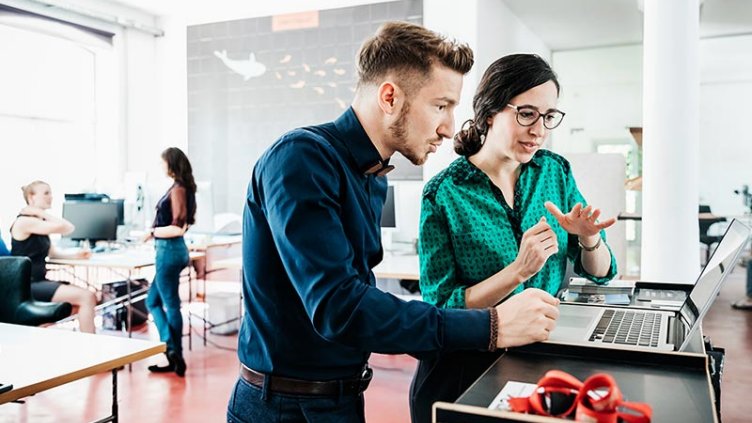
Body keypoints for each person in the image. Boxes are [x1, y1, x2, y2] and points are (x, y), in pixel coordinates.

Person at [227, 22, 561, 423]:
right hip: (283, 407)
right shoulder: (301, 159)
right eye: (441, 106)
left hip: (341, 396)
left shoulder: (371, 176)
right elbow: (340, 307)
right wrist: (491, 326)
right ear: (390, 96)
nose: (449, 128)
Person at [409, 53, 618, 423]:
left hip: (538, 362)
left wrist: (588, 240)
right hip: (464, 372)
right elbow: (441, 306)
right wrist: (518, 271)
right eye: (526, 114)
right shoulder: (445, 194)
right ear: (490, 112)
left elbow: (602, 272)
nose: (539, 129)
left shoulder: (554, 172)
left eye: (549, 116)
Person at [10, 180, 97, 333]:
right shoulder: (25, 221)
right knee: (87, 297)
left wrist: (76, 256)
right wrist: (40, 212)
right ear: (31, 198)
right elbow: (68, 227)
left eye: (50, 193)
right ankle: (91, 350)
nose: (51, 197)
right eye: (46, 193)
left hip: (38, 281)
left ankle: (38, 331)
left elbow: (53, 253)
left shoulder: (38, 223)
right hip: (26, 284)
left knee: (76, 306)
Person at [144, 147, 196, 377]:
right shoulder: (181, 188)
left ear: (171, 164)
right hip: (174, 251)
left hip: (169, 252)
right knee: (152, 301)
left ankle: (174, 352)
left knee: (171, 305)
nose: (161, 166)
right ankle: (172, 352)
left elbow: (177, 227)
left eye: (162, 162)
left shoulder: (178, 189)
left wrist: (152, 231)